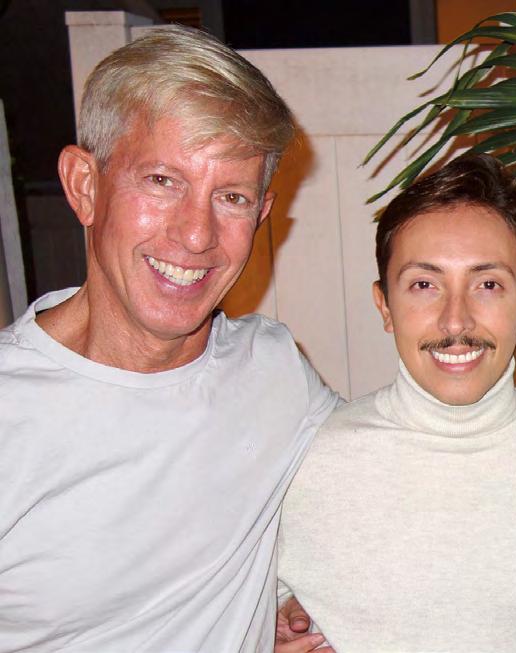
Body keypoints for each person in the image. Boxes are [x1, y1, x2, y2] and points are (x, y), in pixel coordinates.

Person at [0, 26, 339, 652]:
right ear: (84, 185)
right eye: (162, 181)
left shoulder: (273, 369)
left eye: (231, 197)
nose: (196, 235)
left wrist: (292, 599)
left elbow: (393, 467)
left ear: (261, 216)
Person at [274, 153, 516, 652]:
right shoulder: (301, 460)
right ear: (385, 305)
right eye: (424, 285)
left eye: (488, 285)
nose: (456, 321)